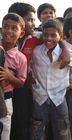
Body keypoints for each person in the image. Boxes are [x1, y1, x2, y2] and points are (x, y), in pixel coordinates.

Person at [8, 2, 70, 140]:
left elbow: (54, 36)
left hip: (24, 90)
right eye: (29, 20)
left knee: (25, 124)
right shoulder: (5, 39)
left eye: (33, 20)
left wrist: (64, 48)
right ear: (19, 20)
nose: (33, 23)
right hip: (6, 88)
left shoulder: (36, 38)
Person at [29, 18, 72, 140]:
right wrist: (32, 79)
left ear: (60, 36)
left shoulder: (65, 53)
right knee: (37, 130)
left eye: (53, 35)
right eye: (45, 34)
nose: (48, 38)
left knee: (62, 131)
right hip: (40, 97)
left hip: (59, 97)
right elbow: (30, 66)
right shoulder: (37, 52)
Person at [0, 12, 27, 140]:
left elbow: (21, 83)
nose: (9, 31)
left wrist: (9, 77)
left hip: (6, 99)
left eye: (14, 28)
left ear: (21, 33)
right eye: (5, 26)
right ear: (1, 29)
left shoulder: (21, 58)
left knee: (4, 130)